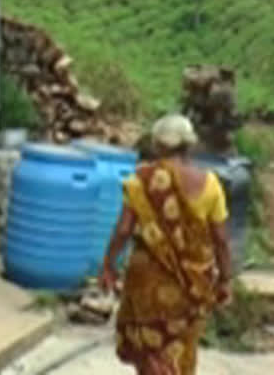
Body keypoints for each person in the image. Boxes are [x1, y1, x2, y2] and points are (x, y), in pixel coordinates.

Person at [100, 114, 232, 375]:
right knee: (181, 351)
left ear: (158, 145)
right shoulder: (211, 185)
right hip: (192, 285)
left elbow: (124, 229)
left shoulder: (142, 181)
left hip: (148, 283)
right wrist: (225, 279)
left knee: (151, 354)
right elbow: (220, 239)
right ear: (189, 145)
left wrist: (108, 264)